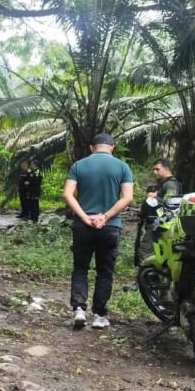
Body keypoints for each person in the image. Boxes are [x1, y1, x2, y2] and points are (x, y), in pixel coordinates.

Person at [62, 133, 134, 331]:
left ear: (92, 147)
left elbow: (67, 194)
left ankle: (79, 309)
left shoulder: (78, 165)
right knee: (104, 272)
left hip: (82, 227)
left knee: (80, 268)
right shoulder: (122, 167)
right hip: (110, 227)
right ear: (112, 147)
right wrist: (105, 216)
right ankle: (100, 316)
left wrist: (85, 217)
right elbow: (127, 198)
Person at [135, 158, 184, 266]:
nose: (154, 172)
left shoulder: (170, 184)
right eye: (154, 169)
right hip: (156, 224)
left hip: (161, 225)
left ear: (166, 169)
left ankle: (149, 278)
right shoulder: (163, 184)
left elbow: (172, 204)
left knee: (146, 251)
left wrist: (155, 197)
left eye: (157, 169)